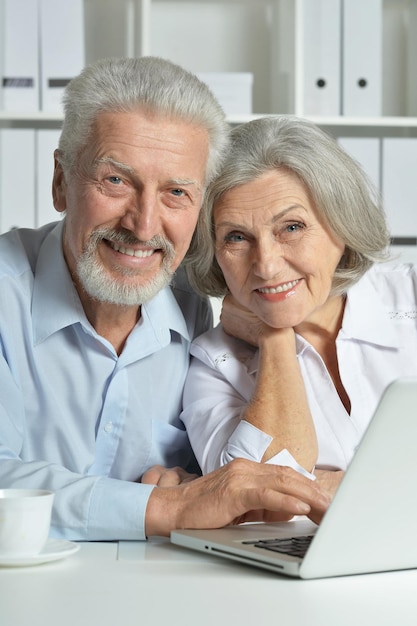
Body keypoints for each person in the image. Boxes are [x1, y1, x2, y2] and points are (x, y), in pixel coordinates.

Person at [0, 59, 329, 541]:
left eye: (176, 192)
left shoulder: (194, 300)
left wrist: (272, 328)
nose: (144, 226)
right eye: (115, 181)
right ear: (60, 180)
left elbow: (233, 481)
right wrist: (165, 506)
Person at [181, 115, 417, 498]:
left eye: (291, 227)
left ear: (341, 225)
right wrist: (273, 338)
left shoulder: (411, 298)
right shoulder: (214, 363)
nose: (267, 266)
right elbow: (255, 503)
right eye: (237, 237)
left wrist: (328, 487)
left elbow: (289, 494)